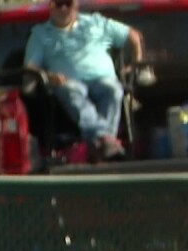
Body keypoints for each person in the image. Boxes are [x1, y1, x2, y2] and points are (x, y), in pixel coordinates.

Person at [24, 0, 143, 160]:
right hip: (66, 82)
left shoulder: (96, 23)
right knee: (73, 90)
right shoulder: (40, 34)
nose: (63, 8)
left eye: (68, 3)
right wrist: (49, 76)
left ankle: (100, 144)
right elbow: (30, 68)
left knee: (113, 89)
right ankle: (106, 140)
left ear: (76, 5)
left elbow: (133, 36)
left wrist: (135, 65)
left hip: (102, 78)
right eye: (58, 4)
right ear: (50, 6)